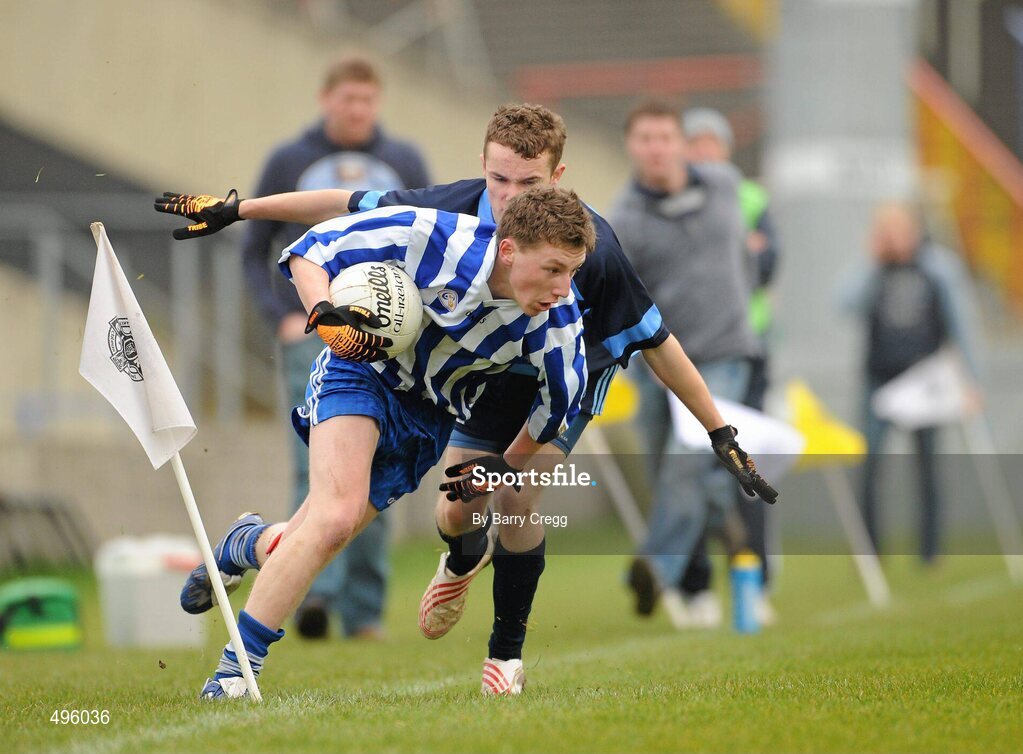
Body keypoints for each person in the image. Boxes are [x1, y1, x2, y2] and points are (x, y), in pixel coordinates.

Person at [154, 104, 775, 695]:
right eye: (497, 178)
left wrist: (720, 432)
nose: (508, 196)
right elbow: (335, 219)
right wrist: (244, 213)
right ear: (483, 171)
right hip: (413, 374)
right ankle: (241, 668)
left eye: (527, 182)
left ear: (558, 178)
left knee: (509, 495)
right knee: (356, 516)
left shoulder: (584, 265)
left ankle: (503, 654)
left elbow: (656, 342)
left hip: (527, 385)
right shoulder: (443, 224)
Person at [169, 186, 596, 699]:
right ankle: (237, 670)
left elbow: (554, 414)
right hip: (362, 371)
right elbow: (310, 250)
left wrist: (503, 467)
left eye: (572, 272)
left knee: (322, 534)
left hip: (430, 419)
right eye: (553, 269)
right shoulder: (432, 237)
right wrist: (325, 315)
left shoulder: (559, 325)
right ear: (509, 250)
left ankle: (248, 543)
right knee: (335, 516)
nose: (562, 287)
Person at [241, 55, 431, 641]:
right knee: (316, 469)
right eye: (347, 99)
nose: (357, 109)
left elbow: (427, 239)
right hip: (313, 332)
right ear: (327, 100)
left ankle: (365, 612)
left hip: (387, 342)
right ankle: (313, 596)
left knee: (377, 472)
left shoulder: (404, 161)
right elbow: (254, 248)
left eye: (366, 100)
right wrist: (281, 315)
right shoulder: (289, 160)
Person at [609, 100, 765, 624]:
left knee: (686, 459)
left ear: (681, 142)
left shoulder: (724, 184)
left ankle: (655, 568)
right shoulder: (623, 218)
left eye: (664, 137)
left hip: (724, 353)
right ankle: (730, 549)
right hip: (661, 363)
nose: (656, 148)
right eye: (645, 139)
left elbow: (750, 258)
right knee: (685, 478)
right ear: (632, 148)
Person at [675, 107, 782, 625]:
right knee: (688, 468)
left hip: (743, 351)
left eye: (709, 143)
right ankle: (695, 586)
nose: (702, 153)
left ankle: (754, 579)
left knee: (744, 468)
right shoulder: (675, 199)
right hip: (687, 356)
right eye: (692, 143)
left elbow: (765, 265)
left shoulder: (750, 199)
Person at [843, 201, 983, 564]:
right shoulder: (874, 271)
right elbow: (843, 304)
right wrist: (872, 261)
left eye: (899, 228)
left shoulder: (938, 267)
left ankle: (930, 551)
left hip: (926, 380)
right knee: (870, 464)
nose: (893, 237)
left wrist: (972, 380)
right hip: (879, 379)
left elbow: (961, 325)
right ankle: (871, 551)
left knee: (927, 468)